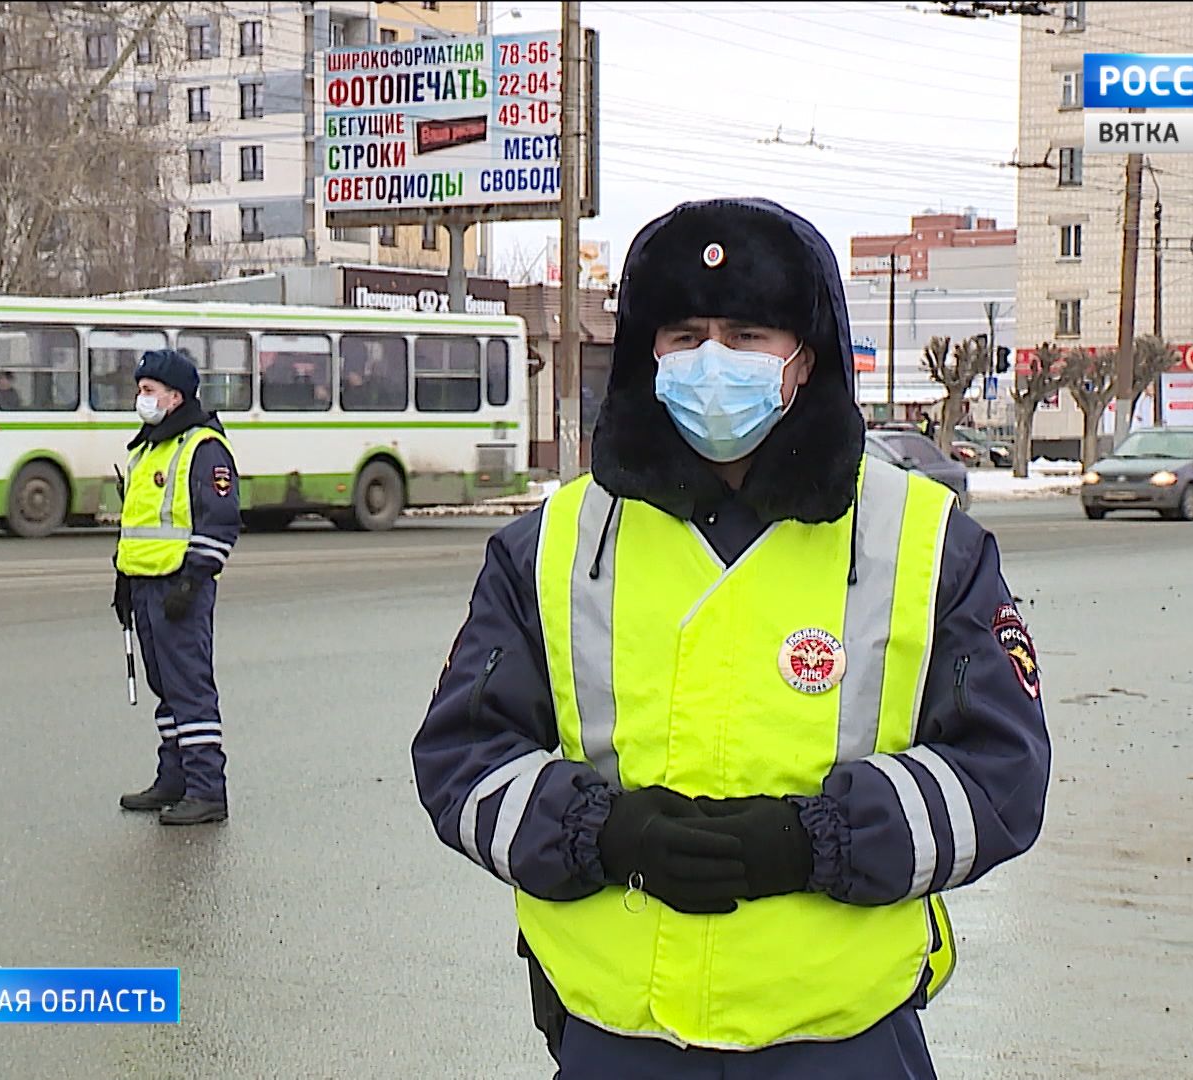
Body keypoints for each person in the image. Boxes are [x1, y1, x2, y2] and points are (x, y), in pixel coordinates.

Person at [411, 198, 1051, 1077]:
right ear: (650, 354)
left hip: (845, 1038)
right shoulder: (552, 542)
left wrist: (817, 841)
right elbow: (461, 760)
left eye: (748, 335)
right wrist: (604, 834)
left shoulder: (926, 541)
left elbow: (1002, 777)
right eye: (684, 336)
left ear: (804, 361)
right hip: (614, 1037)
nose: (713, 362)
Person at [112, 349, 240, 826]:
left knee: (190, 689)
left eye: (148, 391)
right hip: (146, 584)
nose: (140, 399)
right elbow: (139, 522)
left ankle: (208, 789)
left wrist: (192, 579)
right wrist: (123, 577)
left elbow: (221, 521)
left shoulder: (202, 447)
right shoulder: (147, 447)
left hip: (180, 586)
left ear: (175, 396)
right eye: (140, 389)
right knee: (164, 687)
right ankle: (175, 778)